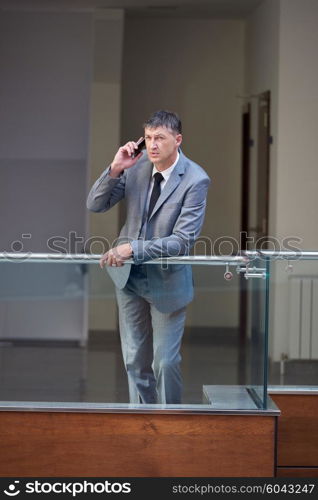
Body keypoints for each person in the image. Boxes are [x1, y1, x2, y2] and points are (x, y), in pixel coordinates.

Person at [86, 110, 210, 404]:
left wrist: (132, 249)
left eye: (160, 138)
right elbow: (95, 204)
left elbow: (182, 241)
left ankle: (170, 427)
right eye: (149, 138)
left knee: (165, 363)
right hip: (129, 278)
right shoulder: (137, 167)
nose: (153, 145)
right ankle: (142, 425)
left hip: (167, 280)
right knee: (134, 361)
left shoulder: (196, 179)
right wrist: (116, 168)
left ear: (177, 140)